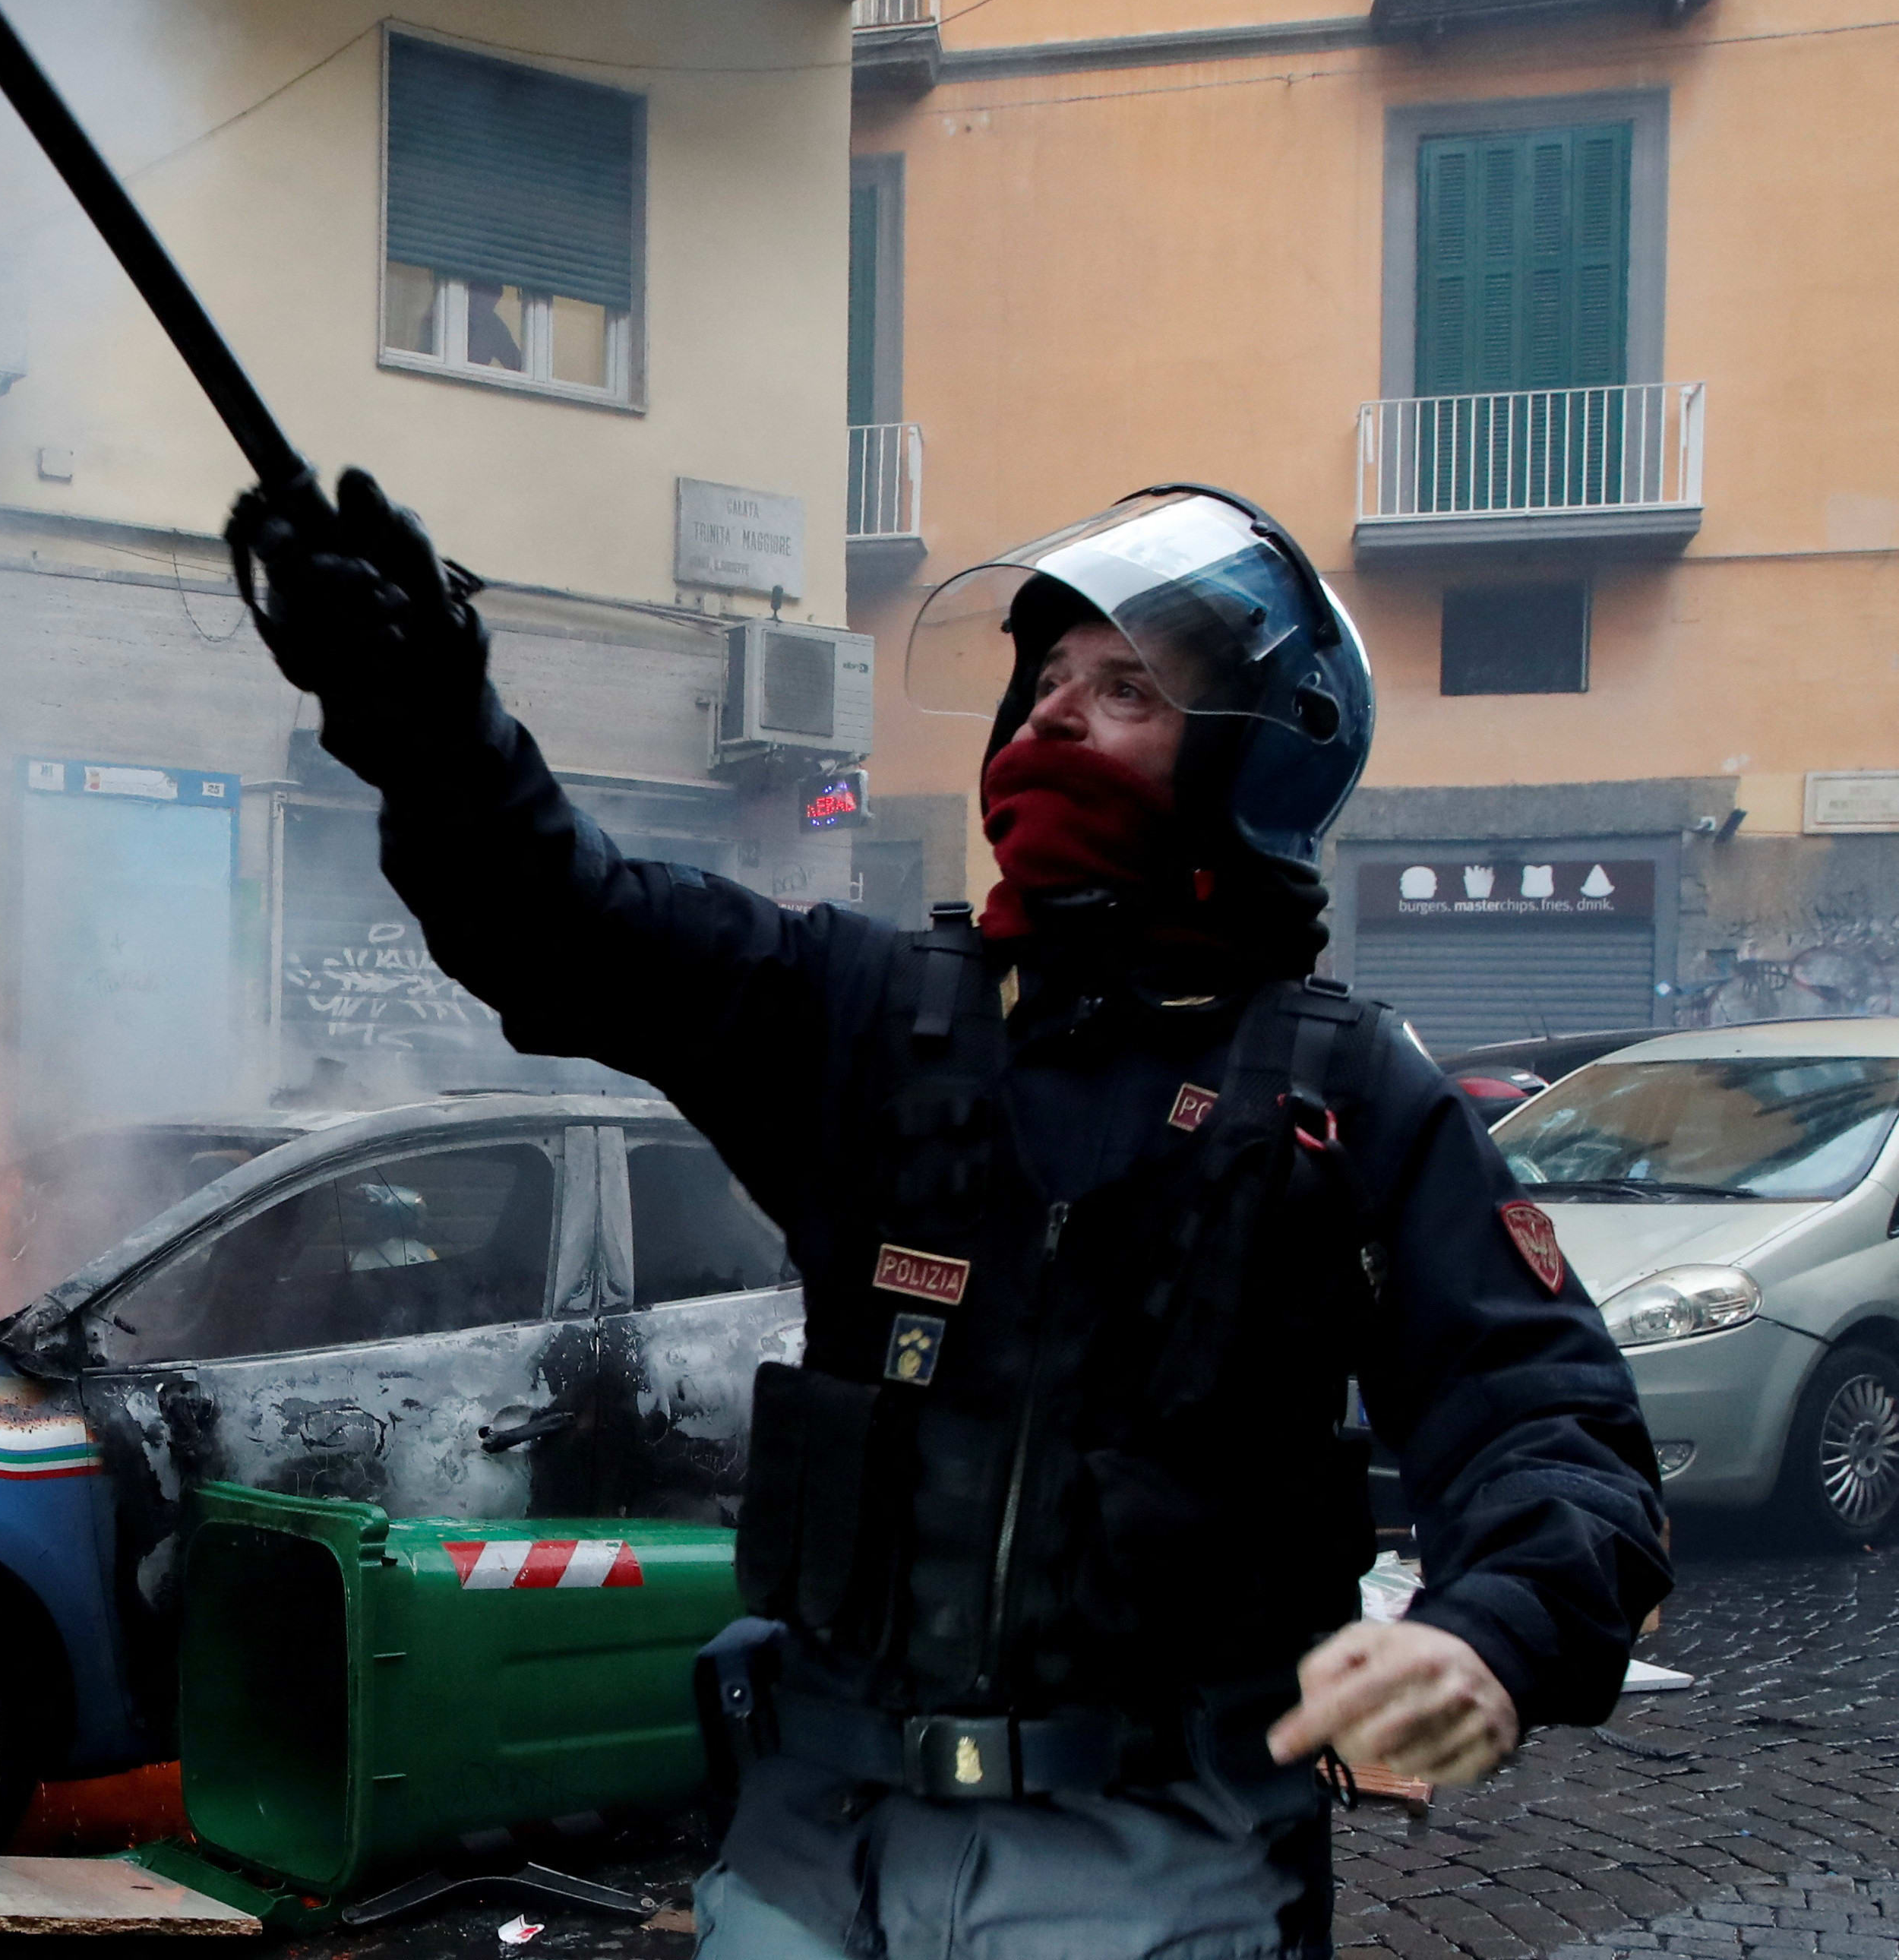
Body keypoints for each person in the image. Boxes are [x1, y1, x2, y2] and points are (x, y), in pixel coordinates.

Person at [227, 473, 1672, 1960]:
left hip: (1153, 1869)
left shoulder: (1339, 1094)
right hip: (804, 1855)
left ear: (1257, 762)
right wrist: (419, 709)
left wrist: (1485, 1628)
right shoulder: (863, 1014)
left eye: (1122, 688)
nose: (1050, 714)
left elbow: (1545, 1424)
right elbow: (565, 920)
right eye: (1040, 680)